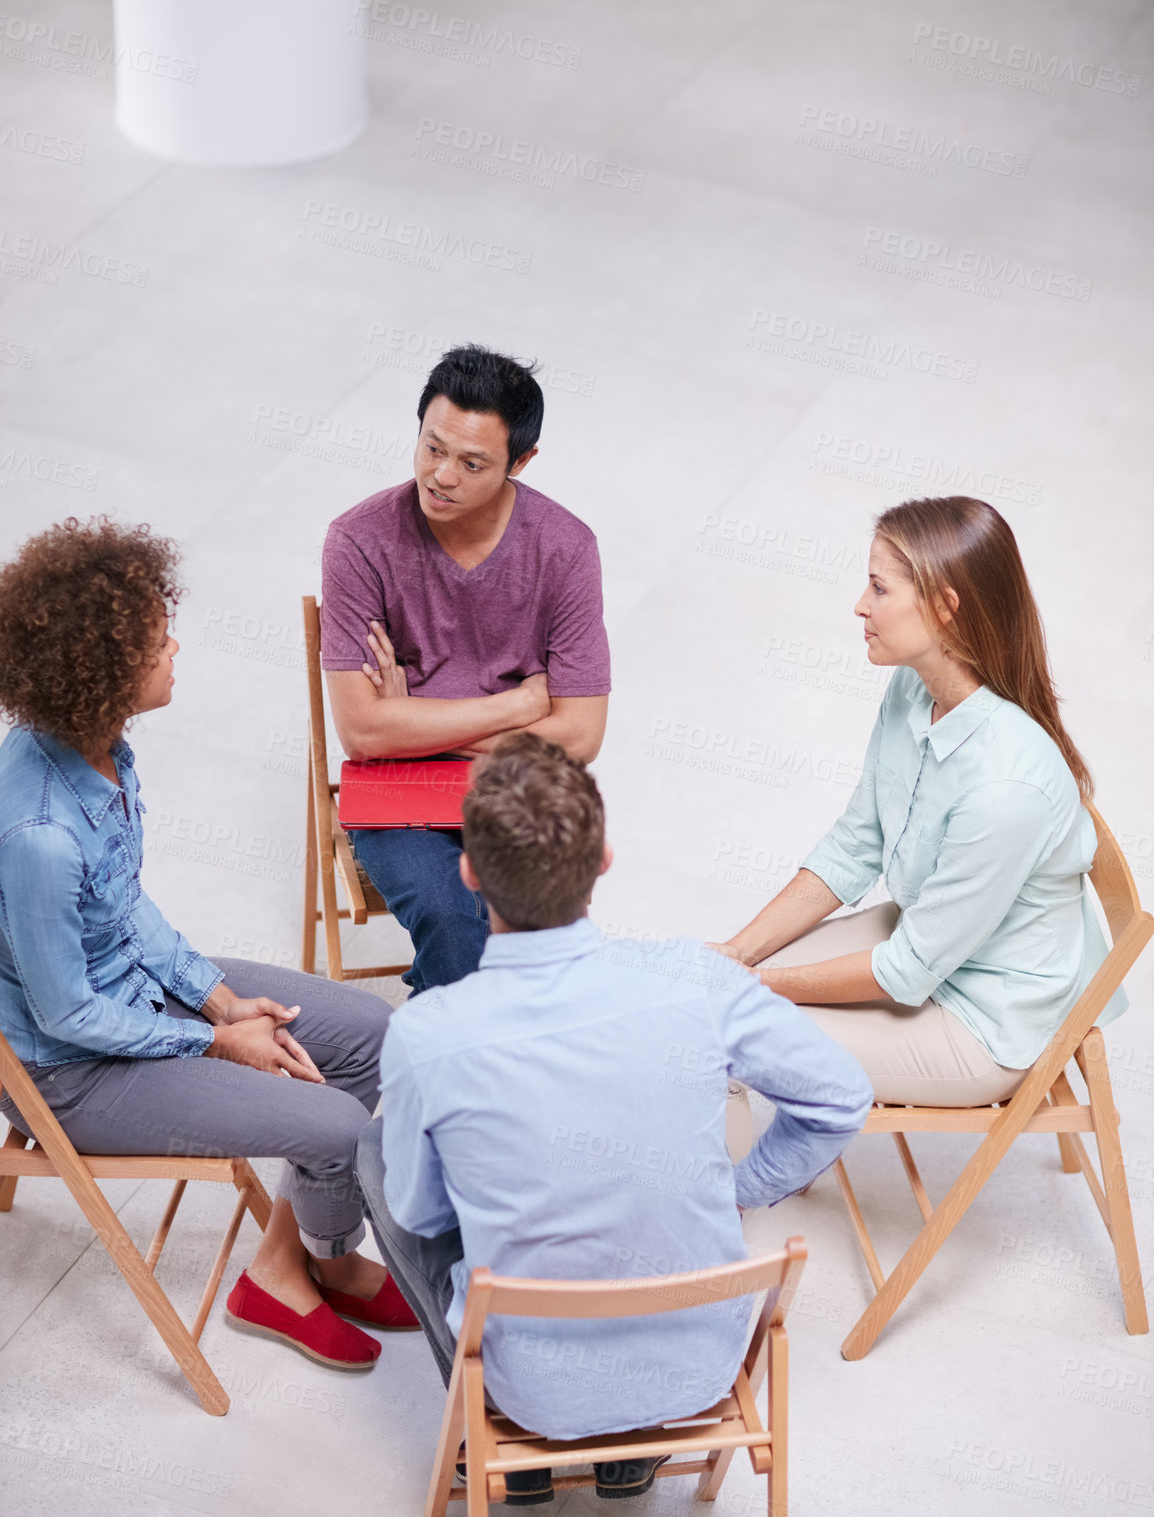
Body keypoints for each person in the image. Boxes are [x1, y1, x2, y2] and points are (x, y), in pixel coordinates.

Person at [355, 734, 871, 1505]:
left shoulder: (427, 1035)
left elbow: (423, 1214)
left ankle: (495, 1430)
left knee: (378, 1152)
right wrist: (741, 1187)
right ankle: (632, 1449)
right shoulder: (695, 980)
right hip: (698, 1364)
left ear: (467, 874)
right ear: (603, 861)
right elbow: (840, 1097)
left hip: (530, 1387)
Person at [0, 517, 418, 1371]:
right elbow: (66, 1010)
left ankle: (291, 1263)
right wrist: (216, 1039)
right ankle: (316, 1267)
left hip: (134, 995)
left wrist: (219, 996)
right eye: (157, 641)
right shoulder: (37, 831)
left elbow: (125, 906)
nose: (175, 647)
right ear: (105, 668)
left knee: (372, 1037)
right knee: (340, 1128)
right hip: (72, 1069)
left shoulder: (99, 747)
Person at [721, 495, 1123, 1109]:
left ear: (944, 608)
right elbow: (857, 845)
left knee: (731, 1028)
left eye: (879, 588)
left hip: (984, 1018)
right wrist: (736, 954)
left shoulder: (1006, 788)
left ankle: (722, 1194)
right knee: (721, 991)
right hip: (929, 935)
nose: (860, 605)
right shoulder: (913, 687)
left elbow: (907, 974)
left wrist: (761, 986)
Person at [320, 343, 611, 995]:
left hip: (516, 786)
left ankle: (449, 1037)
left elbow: (582, 738)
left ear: (520, 462)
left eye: (472, 462)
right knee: (454, 917)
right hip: (398, 791)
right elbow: (365, 734)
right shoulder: (359, 541)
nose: (441, 475)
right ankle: (474, 1077)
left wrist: (413, 718)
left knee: (550, 932)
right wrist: (518, 705)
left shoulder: (565, 550)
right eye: (431, 447)